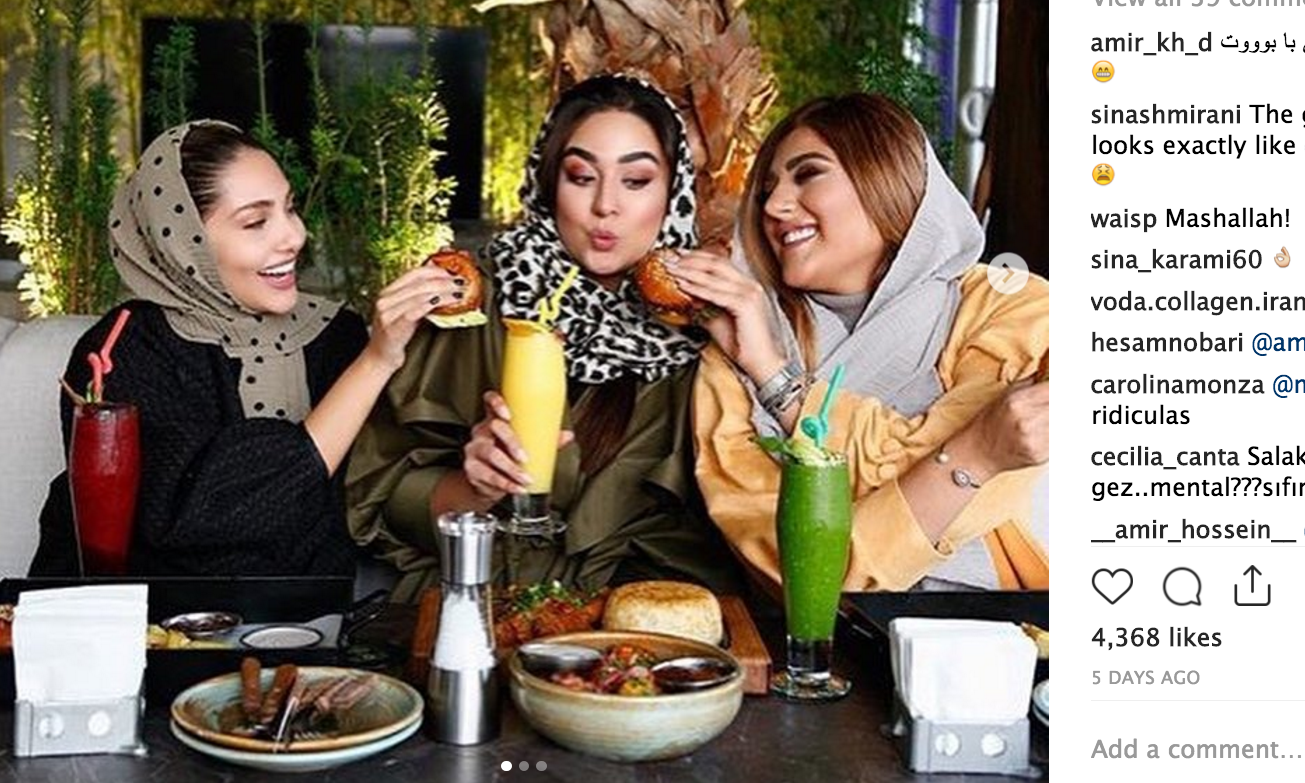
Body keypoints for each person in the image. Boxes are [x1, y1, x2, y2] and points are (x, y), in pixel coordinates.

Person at [346, 75, 741, 601]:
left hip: (635, 624)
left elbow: (740, 525)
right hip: (477, 605)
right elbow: (380, 499)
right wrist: (474, 488)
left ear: (675, 193)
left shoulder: (703, 328)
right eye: (581, 176)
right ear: (547, 181)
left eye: (636, 180)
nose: (606, 205)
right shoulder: (474, 306)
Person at [29, 120, 456, 577]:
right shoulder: (121, 353)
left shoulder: (336, 335)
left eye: (290, 209)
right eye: (255, 222)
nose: (294, 237)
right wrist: (374, 364)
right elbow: (201, 520)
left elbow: (380, 495)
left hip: (316, 617)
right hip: (139, 616)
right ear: (184, 242)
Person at [677, 93, 1049, 591]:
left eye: (808, 174)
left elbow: (981, 473)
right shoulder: (737, 346)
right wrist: (974, 454)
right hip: (819, 636)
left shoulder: (1011, 306)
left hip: (1013, 626)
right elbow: (793, 566)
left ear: (885, 177)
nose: (773, 205)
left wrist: (780, 388)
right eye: (766, 189)